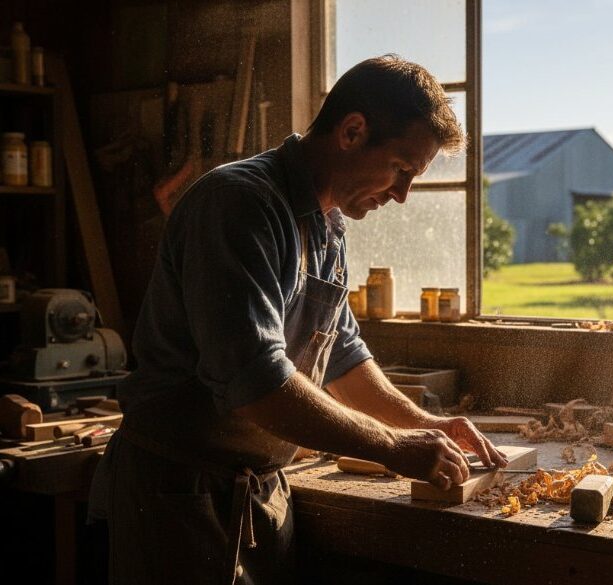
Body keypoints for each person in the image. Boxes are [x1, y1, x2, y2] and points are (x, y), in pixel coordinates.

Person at [88, 54, 507, 585]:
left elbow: (344, 356)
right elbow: (258, 383)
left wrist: (423, 425)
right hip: (179, 492)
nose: (402, 196)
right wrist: (394, 447)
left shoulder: (327, 222)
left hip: (260, 491)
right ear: (352, 131)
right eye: (401, 169)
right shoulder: (240, 205)